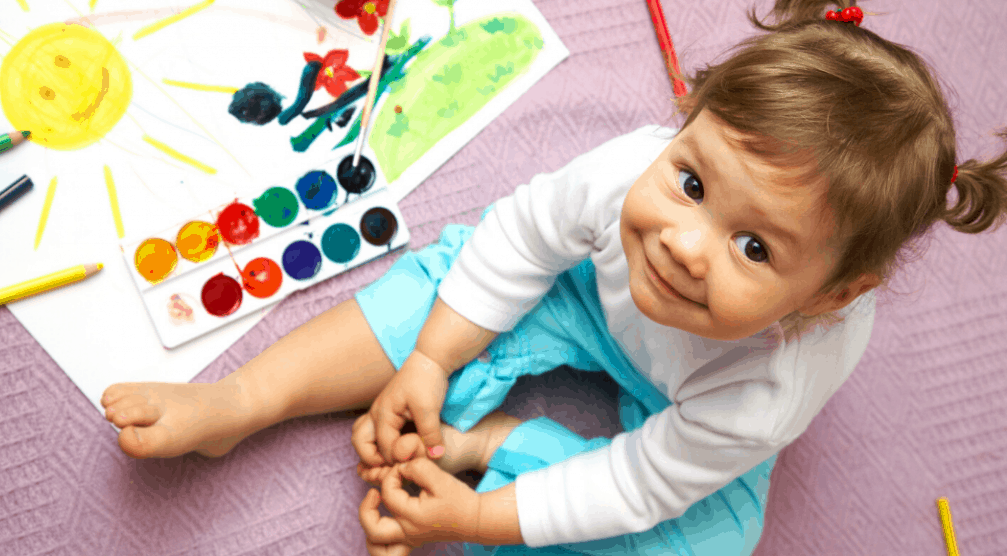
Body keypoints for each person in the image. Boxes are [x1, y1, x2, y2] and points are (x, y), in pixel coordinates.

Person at [98, 1, 1007, 554]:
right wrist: (427, 362)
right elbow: (519, 243)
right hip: (586, 297)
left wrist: (474, 517)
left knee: (711, 539)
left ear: (830, 297)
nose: (688, 246)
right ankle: (244, 403)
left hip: (689, 405)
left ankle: (487, 443)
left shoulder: (766, 390)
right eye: (691, 183)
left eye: (756, 249)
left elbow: (641, 485)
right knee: (449, 280)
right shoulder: (626, 174)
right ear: (684, 121)